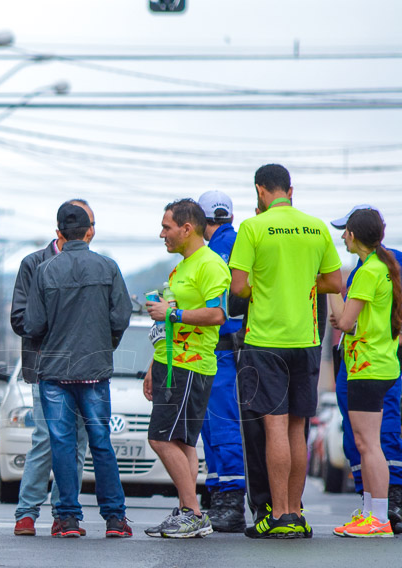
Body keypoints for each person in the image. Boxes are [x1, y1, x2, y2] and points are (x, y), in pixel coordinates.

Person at [228, 164, 342, 539]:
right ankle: (296, 513)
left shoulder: (253, 227)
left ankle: (277, 516)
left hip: (266, 341)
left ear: (260, 190)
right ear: (290, 190)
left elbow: (240, 288)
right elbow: (333, 282)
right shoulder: (316, 227)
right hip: (308, 340)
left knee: (274, 426)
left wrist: (267, 282)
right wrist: (300, 281)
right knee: (299, 427)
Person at [24, 202, 133, 538]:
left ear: (58, 234)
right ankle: (115, 519)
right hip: (95, 372)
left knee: (61, 444)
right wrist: (105, 345)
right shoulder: (108, 268)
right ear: (90, 231)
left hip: (54, 373)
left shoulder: (45, 271)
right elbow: (121, 317)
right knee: (101, 442)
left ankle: (67, 518)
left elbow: (33, 324)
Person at [142, 199, 229, 539]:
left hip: (190, 365)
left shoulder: (210, 264)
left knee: (160, 438)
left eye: (166, 227)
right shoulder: (181, 267)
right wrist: (153, 364)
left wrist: (172, 313)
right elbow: (167, 319)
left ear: (187, 228)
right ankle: (186, 511)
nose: (162, 234)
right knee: (184, 442)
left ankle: (193, 512)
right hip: (170, 361)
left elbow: (218, 314)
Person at [10, 199, 90, 537]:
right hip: (45, 368)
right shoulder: (34, 264)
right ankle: (26, 512)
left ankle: (64, 513)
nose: (88, 232)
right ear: (61, 231)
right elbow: (19, 319)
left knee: (78, 443)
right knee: (46, 437)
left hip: (87, 370)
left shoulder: (97, 266)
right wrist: (60, 328)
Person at [328, 205, 402, 535]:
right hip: (377, 363)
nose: (342, 237)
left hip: (367, 365)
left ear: (354, 235)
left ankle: (379, 518)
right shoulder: (382, 266)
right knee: (364, 441)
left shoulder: (369, 271)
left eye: (345, 232)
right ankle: (372, 513)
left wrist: (330, 289)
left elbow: (345, 321)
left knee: (369, 443)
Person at [196, 191, 247, 532]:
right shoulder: (240, 242)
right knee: (214, 423)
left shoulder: (212, 253)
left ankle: (229, 498)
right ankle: (218, 496)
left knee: (221, 423)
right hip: (227, 346)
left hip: (222, 346)